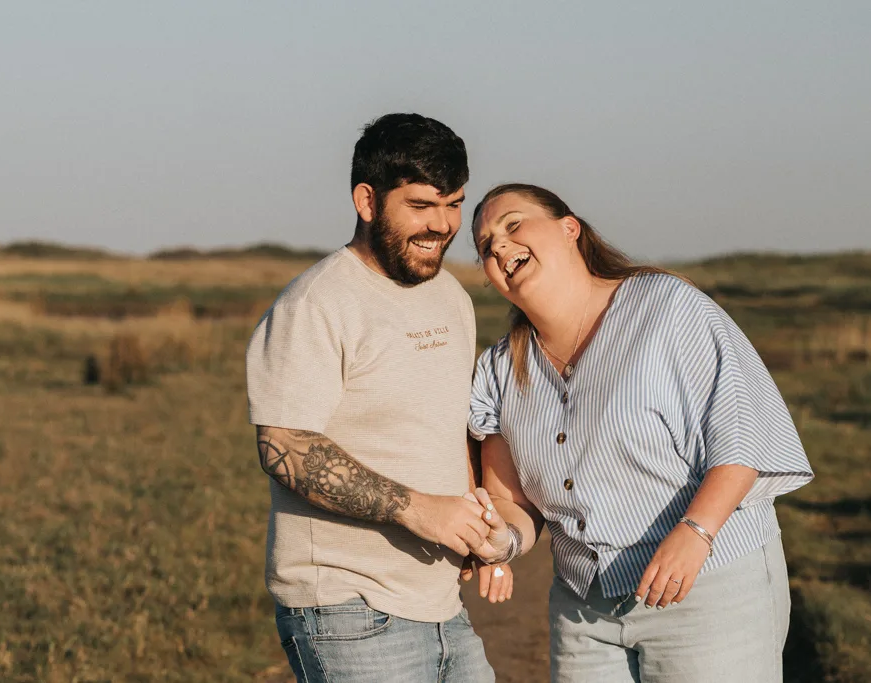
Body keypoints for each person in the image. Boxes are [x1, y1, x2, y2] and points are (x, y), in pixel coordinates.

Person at [466, 183, 815, 683]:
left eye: (513, 225)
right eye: (485, 245)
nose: (498, 246)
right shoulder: (501, 369)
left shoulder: (668, 309)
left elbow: (743, 437)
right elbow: (511, 503)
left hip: (708, 591)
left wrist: (694, 533)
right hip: (583, 614)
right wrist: (499, 541)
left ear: (570, 230)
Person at [246, 113, 508, 683]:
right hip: (347, 612)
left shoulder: (451, 297)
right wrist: (422, 511)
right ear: (367, 201)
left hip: (441, 604)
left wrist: (474, 524)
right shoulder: (316, 304)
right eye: (420, 206)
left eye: (454, 203)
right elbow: (286, 448)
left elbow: (447, 427)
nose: (443, 226)